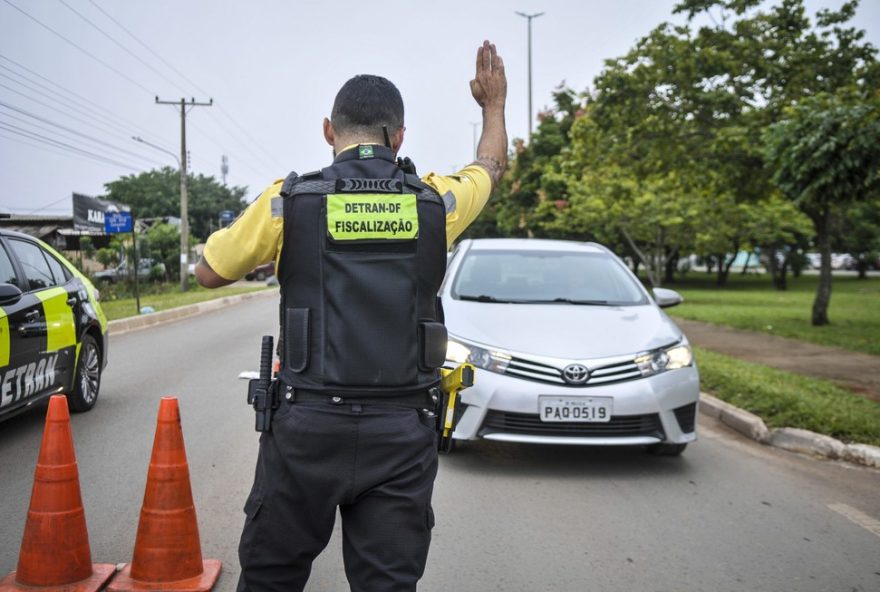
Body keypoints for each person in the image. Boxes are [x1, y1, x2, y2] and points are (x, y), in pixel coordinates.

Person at [195, 40, 507, 592]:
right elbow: (489, 167)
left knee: (271, 577)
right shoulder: (437, 202)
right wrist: (494, 107)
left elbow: (209, 272)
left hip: (306, 428)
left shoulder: (286, 202)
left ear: (328, 131)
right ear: (399, 137)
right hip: (402, 431)